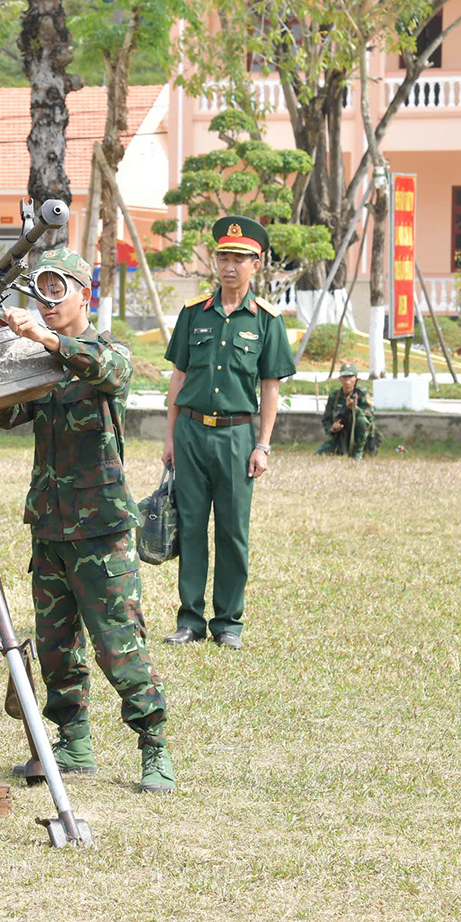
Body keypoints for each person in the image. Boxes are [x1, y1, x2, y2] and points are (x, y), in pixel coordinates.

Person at [0, 247, 174, 794]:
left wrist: (44, 341)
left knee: (119, 642)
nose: (45, 303)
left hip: (101, 528)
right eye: (38, 291)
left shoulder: (103, 350)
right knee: (56, 643)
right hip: (49, 524)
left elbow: (110, 372)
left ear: (83, 295)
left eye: (56, 290)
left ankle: (153, 745)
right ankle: (73, 742)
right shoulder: (41, 363)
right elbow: (5, 411)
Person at [161, 215, 295, 650]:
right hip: (192, 433)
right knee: (193, 527)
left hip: (238, 438)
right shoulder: (192, 315)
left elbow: (269, 388)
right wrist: (169, 438)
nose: (229, 265)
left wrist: (263, 445)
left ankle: (229, 624)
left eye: (240, 258)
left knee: (234, 533)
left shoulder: (267, 321)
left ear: (257, 265)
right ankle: (190, 620)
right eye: (223, 256)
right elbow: (177, 380)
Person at [316, 364, 379, 458]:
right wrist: (332, 427)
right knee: (320, 455)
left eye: (350, 377)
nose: (347, 381)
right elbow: (326, 418)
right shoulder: (334, 397)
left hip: (361, 437)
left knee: (361, 420)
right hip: (341, 436)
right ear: (340, 379)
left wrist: (354, 408)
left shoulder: (362, 394)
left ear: (356, 379)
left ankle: (358, 453)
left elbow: (369, 416)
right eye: (344, 377)